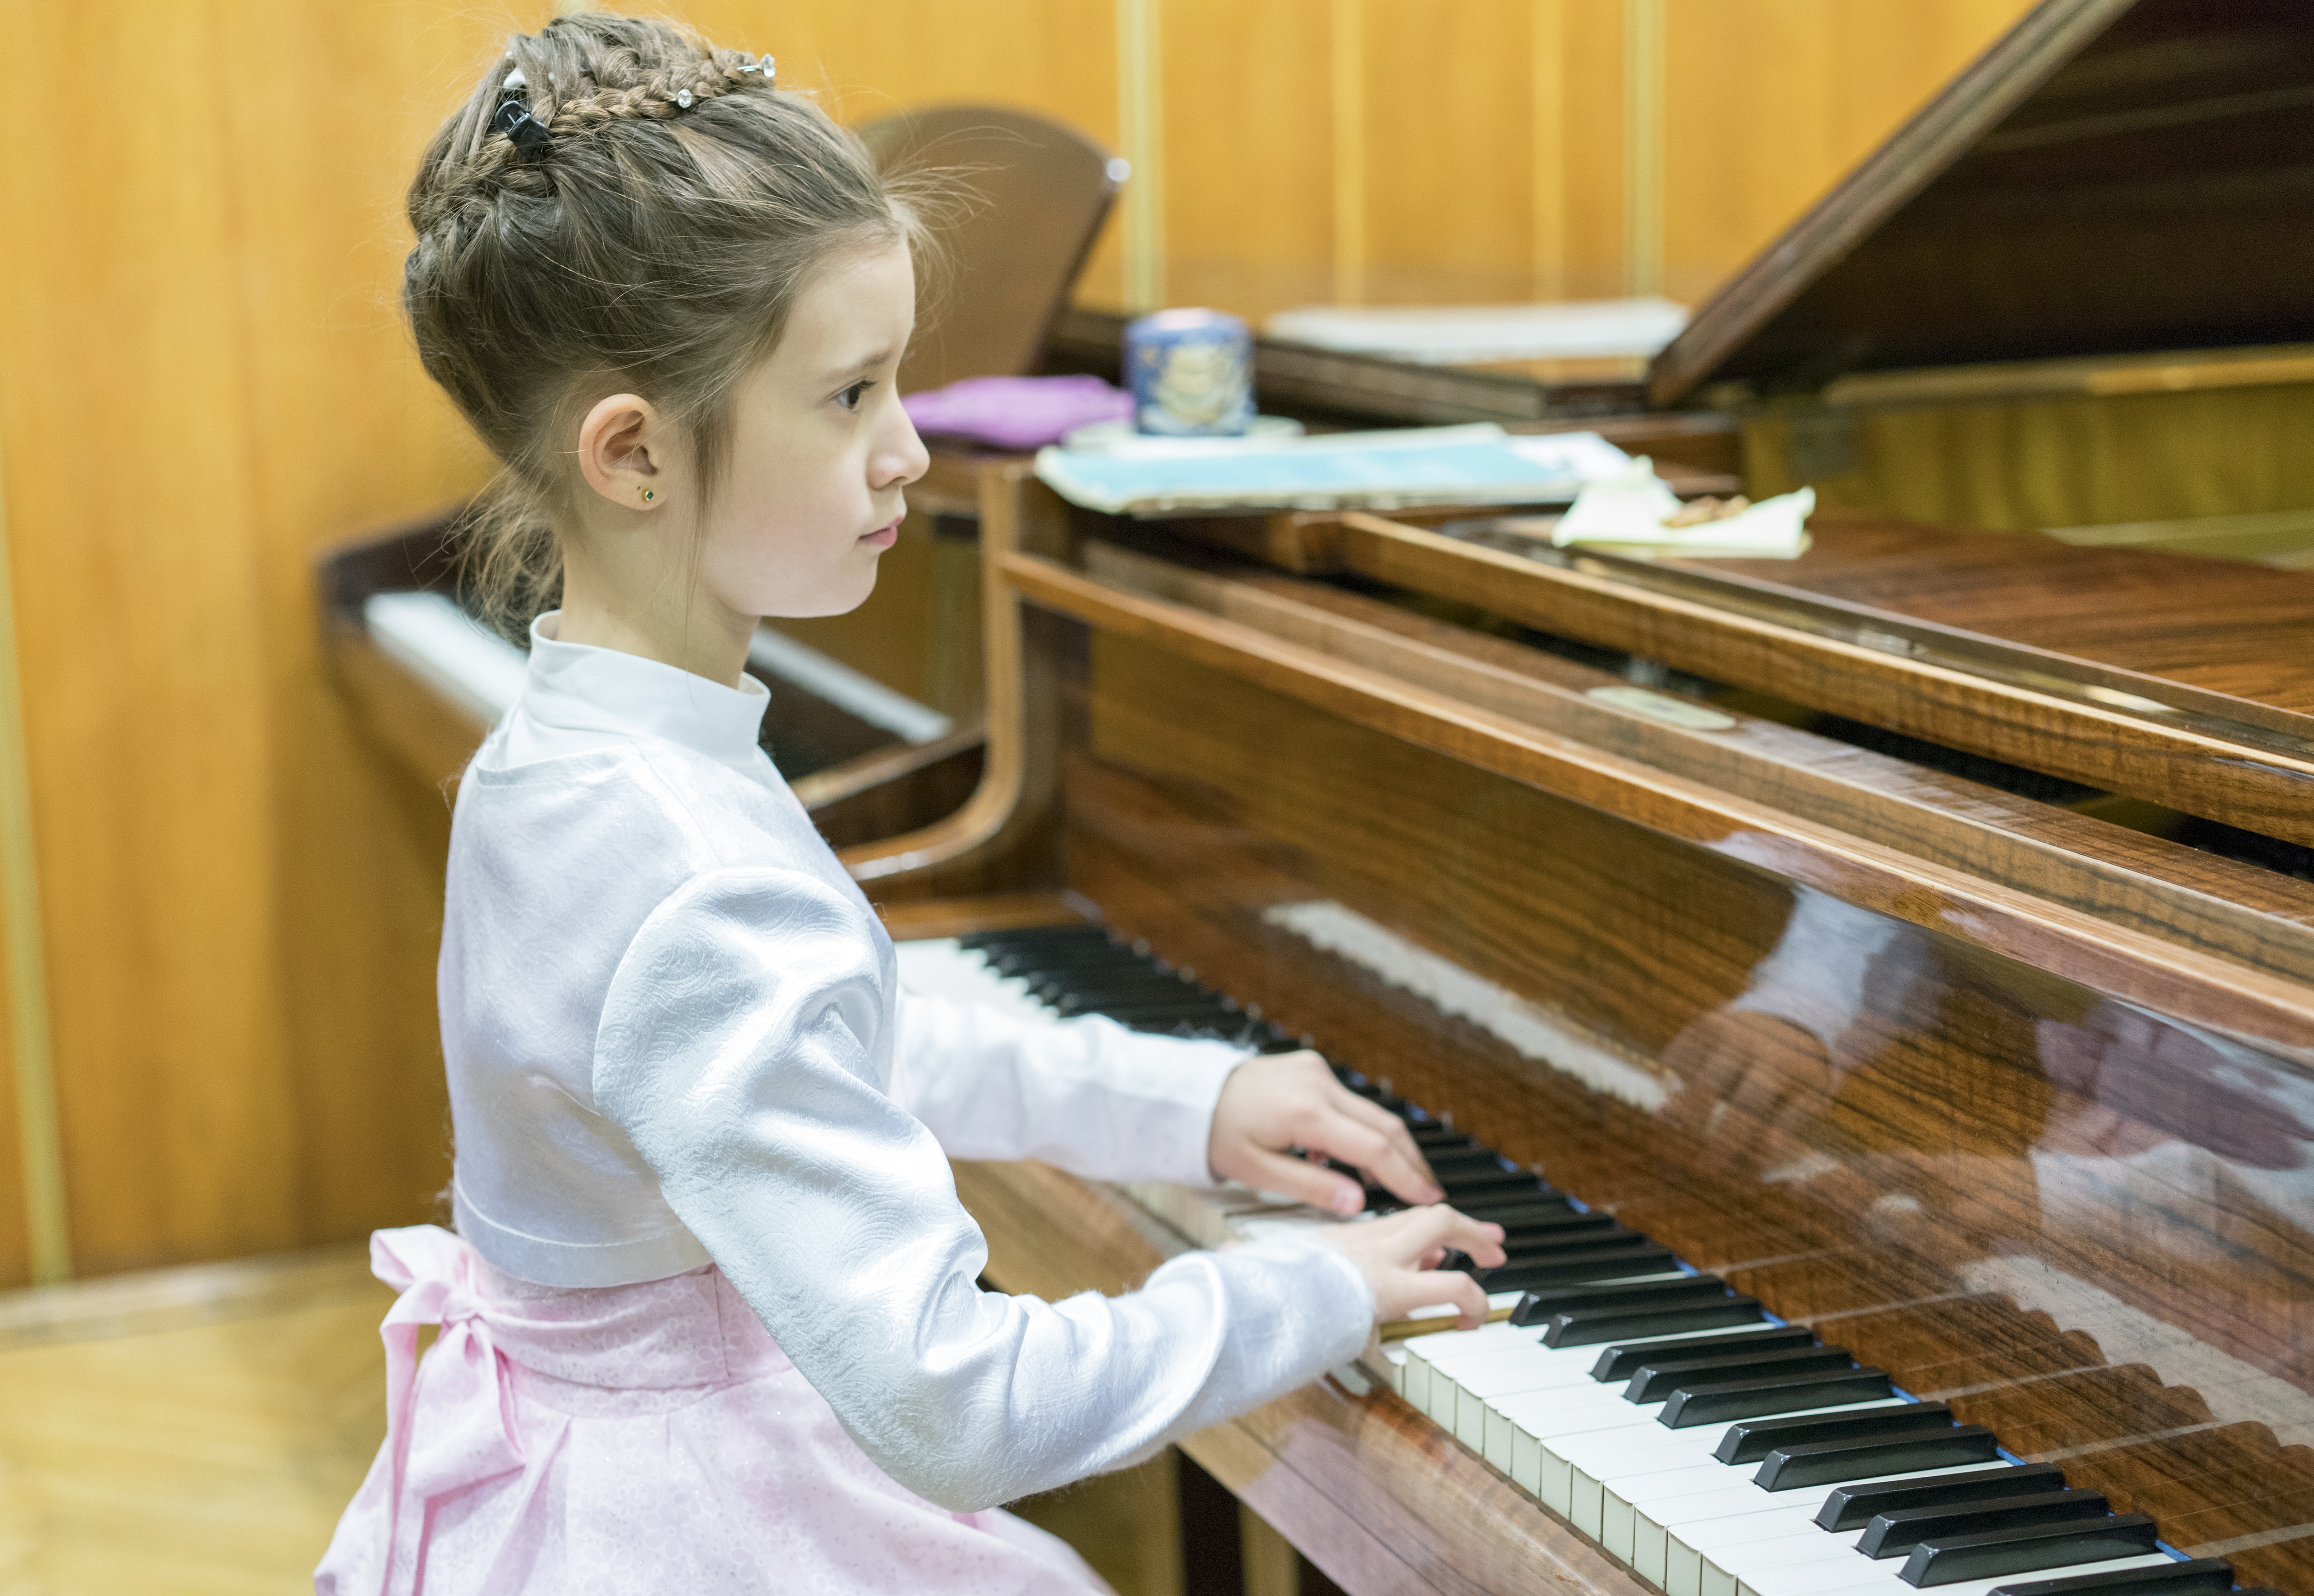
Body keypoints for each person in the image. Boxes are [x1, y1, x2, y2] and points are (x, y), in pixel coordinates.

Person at [316, 16, 1503, 1593]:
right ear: (633, 455)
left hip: (566, 1478)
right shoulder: (692, 871)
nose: (910, 449)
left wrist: (1180, 1104)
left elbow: (842, 1058)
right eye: (852, 394)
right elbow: (954, 1403)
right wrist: (1308, 1298)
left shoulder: (568, 756)